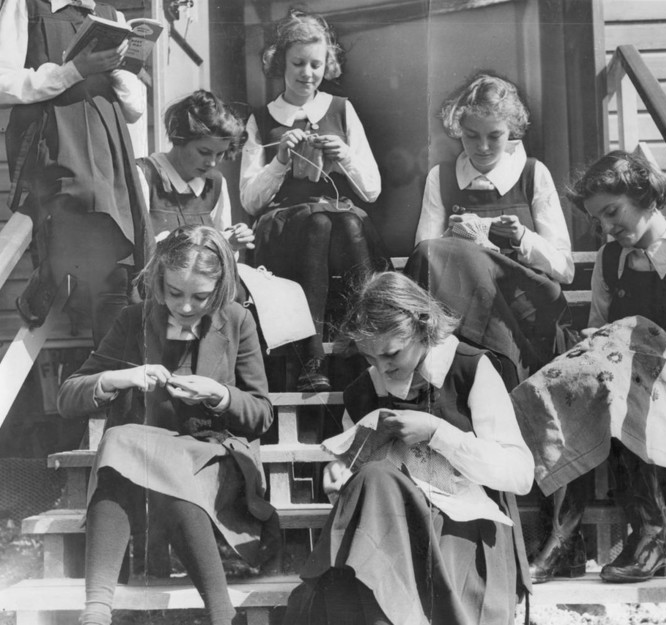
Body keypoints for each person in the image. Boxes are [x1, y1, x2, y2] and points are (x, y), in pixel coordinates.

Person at [516, 150, 666, 583]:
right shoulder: (609, 260)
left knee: (624, 372)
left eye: (613, 212)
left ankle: (650, 538)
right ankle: (564, 538)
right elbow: (603, 343)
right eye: (598, 219)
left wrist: (642, 341)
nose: (606, 228)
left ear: (647, 198)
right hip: (622, 421)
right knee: (570, 378)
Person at [283, 271, 535, 625]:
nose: (381, 367)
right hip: (390, 533)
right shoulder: (363, 390)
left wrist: (437, 432)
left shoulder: (468, 369)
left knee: (375, 483)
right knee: (372, 477)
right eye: (370, 357)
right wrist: (340, 473)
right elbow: (359, 474)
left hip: (461, 532)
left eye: (391, 354)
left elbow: (520, 474)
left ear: (423, 326)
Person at [57, 225, 278, 625]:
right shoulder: (134, 319)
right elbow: (68, 395)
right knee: (123, 442)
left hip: (214, 460)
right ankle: (98, 613)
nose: (186, 307)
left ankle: (219, 614)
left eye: (200, 296)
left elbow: (262, 413)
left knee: (131, 447)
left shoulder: (236, 320)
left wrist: (219, 394)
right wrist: (120, 378)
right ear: (159, 281)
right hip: (145, 465)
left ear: (220, 286)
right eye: (175, 293)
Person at [0, 0, 152, 345]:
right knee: (88, 197)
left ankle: (105, 349)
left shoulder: (111, 16)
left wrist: (116, 69)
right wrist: (73, 70)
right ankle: (53, 269)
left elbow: (134, 109)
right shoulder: (26, 5)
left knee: (120, 246)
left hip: (106, 139)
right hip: (53, 133)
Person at [239, 8, 387, 392]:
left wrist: (345, 155)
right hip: (286, 229)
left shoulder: (342, 109)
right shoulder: (263, 118)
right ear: (280, 63)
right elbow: (250, 201)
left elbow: (372, 189)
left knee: (345, 220)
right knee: (319, 222)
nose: (307, 73)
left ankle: (366, 338)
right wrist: (280, 161)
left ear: (327, 64)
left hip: (340, 224)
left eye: (316, 64)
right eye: (298, 63)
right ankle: (312, 354)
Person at [406, 73, 574, 388]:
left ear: (511, 131)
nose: (482, 147)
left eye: (494, 136)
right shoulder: (441, 177)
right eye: (471, 136)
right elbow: (425, 258)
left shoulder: (532, 173)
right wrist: (456, 238)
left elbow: (564, 269)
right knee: (435, 252)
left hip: (523, 303)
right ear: (458, 131)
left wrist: (522, 237)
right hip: (462, 304)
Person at [137, 89, 255, 255]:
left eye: (220, 154)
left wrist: (231, 242)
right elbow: (140, 251)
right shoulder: (144, 175)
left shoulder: (215, 184)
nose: (212, 162)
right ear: (180, 138)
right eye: (204, 152)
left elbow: (222, 259)